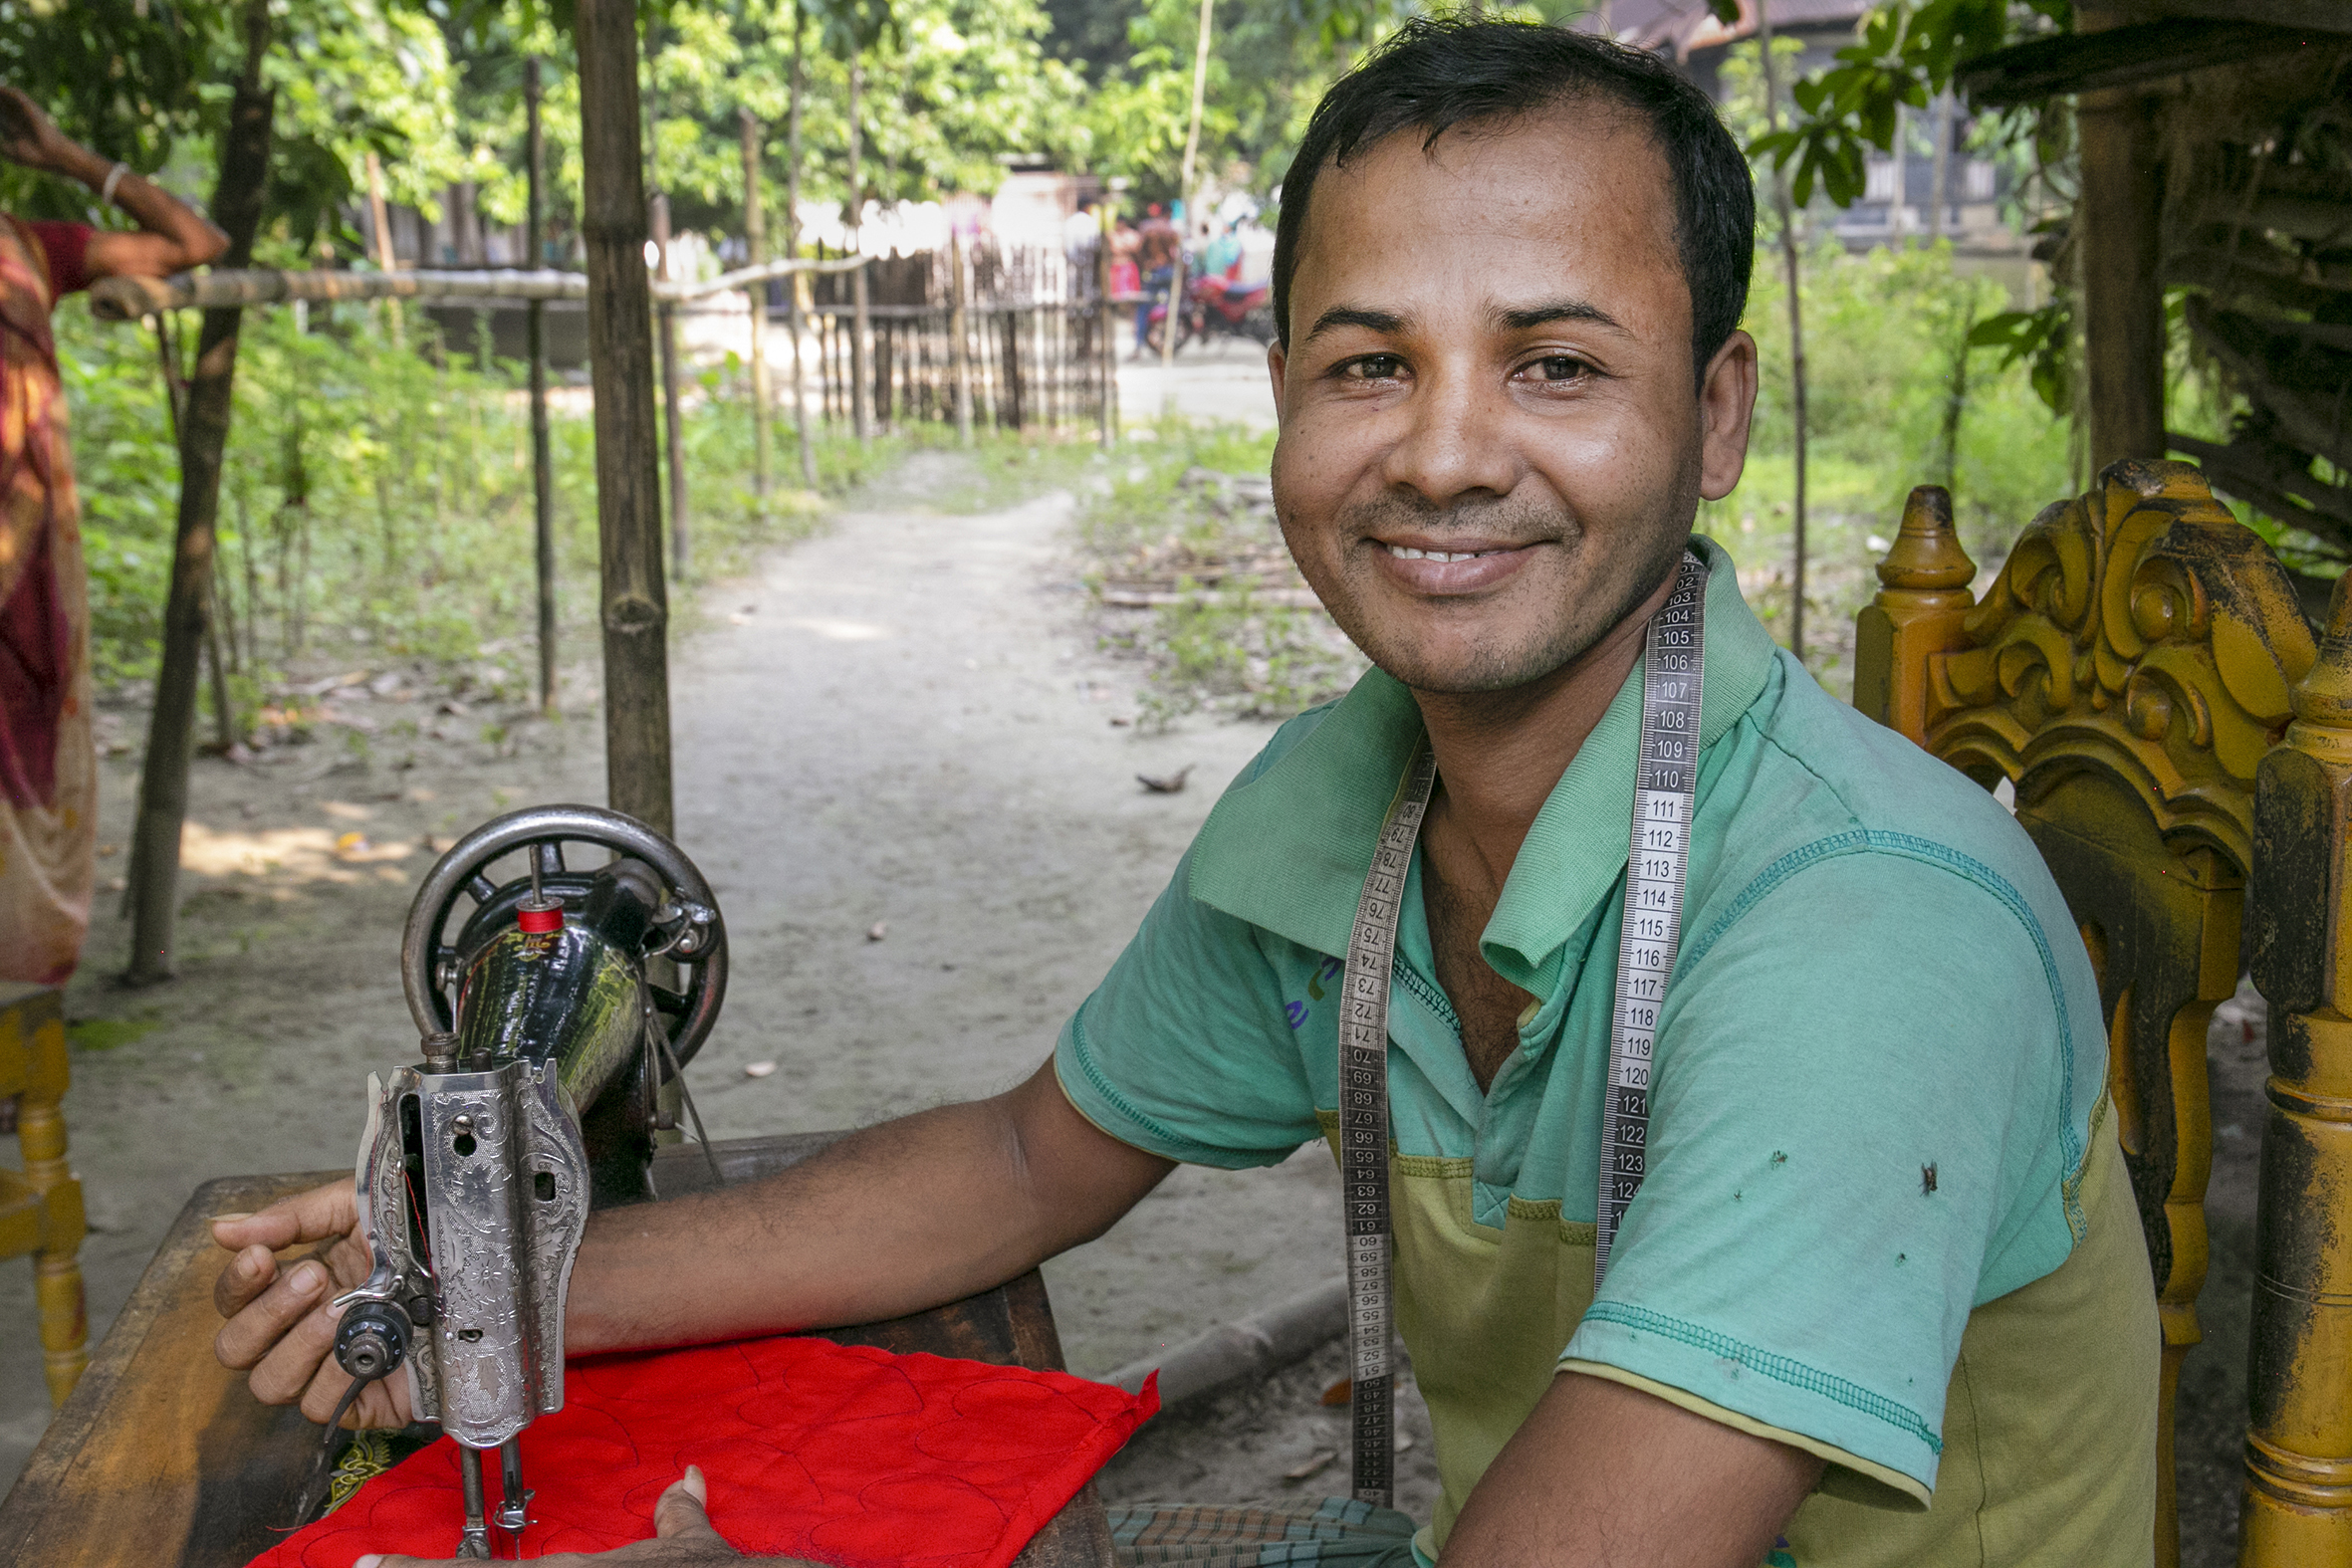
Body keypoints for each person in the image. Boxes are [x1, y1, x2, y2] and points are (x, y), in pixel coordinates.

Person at [213, 20, 2157, 1568]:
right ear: (1280, 398)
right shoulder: (1349, 807)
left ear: (1713, 415)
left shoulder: (1863, 929)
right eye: (1366, 364)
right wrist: (479, 1267)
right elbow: (1014, 1167)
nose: (1446, 453)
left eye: (1555, 364)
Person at [0, 86, 225, 986]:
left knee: (21, 764)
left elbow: (195, 245)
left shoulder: (26, 245)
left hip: (22, 571)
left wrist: (69, 159)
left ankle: (16, 1035)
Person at [1133, 201, 1180, 354]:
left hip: (1153, 271)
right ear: (1169, 214)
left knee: (1144, 308)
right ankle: (1168, 342)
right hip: (1168, 270)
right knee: (1172, 307)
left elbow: (1138, 250)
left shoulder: (1147, 227)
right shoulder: (1171, 229)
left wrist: (1146, 263)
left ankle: (1139, 344)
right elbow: (1177, 254)